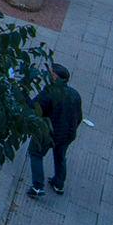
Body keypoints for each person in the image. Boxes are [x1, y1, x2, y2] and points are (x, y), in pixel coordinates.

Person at [28, 64, 83, 198]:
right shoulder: (75, 94)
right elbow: (79, 117)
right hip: (67, 134)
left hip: (48, 133)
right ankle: (58, 183)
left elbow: (34, 108)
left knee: (35, 153)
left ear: (55, 77)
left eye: (50, 73)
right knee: (60, 156)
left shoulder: (49, 92)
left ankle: (37, 187)